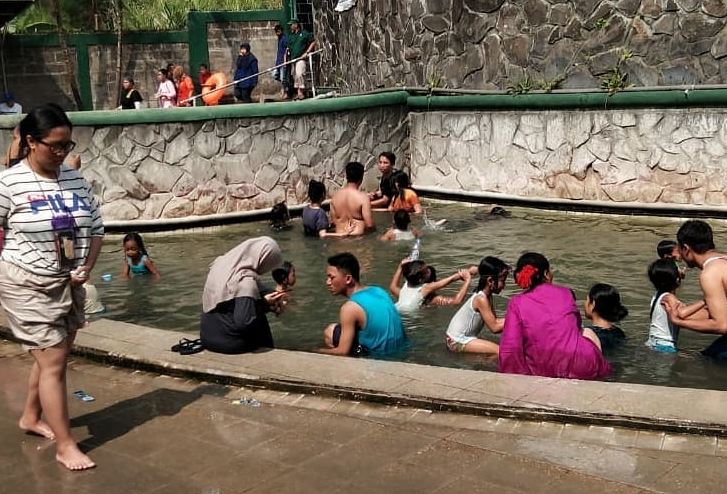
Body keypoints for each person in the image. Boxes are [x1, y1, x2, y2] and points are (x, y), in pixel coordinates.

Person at [0, 103, 104, 471]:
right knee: (54, 359)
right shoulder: (8, 183)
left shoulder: (73, 179)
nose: (62, 153)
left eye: (67, 146)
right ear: (31, 142)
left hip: (68, 282)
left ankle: (30, 416)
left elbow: (96, 228)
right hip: (25, 283)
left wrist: (87, 267)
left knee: (51, 360)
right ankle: (66, 444)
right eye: (55, 146)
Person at [498, 252, 611, 379]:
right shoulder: (566, 292)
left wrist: (515, 378)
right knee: (587, 332)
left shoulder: (516, 302)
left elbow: (511, 346)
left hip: (545, 368)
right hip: (584, 363)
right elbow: (576, 326)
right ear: (546, 274)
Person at [200, 236, 286, 354]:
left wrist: (273, 295)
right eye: (269, 264)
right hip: (228, 342)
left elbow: (246, 293)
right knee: (259, 321)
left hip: (207, 336)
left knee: (252, 303)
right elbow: (244, 322)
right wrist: (266, 304)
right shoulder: (245, 281)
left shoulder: (223, 264)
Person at [662, 220, 727, 358]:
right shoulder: (723, 260)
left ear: (686, 248)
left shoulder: (710, 273)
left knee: (703, 361)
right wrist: (682, 312)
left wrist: (679, 321)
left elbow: (722, 325)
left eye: (679, 248)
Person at [320, 252, 406, 356]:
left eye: (331, 277)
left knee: (330, 331)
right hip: (402, 350)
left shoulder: (349, 308)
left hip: (378, 358)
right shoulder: (378, 290)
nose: (328, 282)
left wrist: (313, 351)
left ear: (348, 279)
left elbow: (342, 352)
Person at [445, 257, 509, 354]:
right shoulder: (481, 299)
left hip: (454, 338)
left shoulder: (486, 295)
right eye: (502, 281)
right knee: (500, 351)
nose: (504, 285)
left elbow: (495, 321)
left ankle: (484, 361)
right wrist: (519, 318)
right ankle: (485, 366)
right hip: (456, 341)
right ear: (490, 281)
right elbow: (494, 327)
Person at [389, 258, 472, 312]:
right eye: (427, 271)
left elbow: (393, 287)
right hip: (409, 319)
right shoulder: (429, 292)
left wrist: (400, 267)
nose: (428, 270)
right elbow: (456, 301)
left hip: (395, 310)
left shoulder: (406, 287)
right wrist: (467, 280)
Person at [646, 259, 683, 353]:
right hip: (664, 345)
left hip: (653, 342)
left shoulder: (658, 295)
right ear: (676, 279)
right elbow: (682, 314)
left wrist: (677, 278)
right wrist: (704, 301)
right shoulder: (670, 298)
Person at [329, 161, 374, 236]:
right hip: (358, 240)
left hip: (339, 240)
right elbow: (369, 225)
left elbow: (334, 222)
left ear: (346, 176)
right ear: (361, 177)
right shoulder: (363, 198)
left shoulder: (334, 198)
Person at [582, 283, 628, 351]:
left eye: (587, 300)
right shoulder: (619, 333)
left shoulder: (587, 334)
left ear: (593, 304)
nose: (585, 303)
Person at [285, 18, 315, 100]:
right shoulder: (291, 37)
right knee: (295, 76)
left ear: (296, 25)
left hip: (301, 58)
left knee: (300, 74)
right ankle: (298, 92)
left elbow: (313, 42)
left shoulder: (304, 34)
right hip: (293, 59)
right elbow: (288, 48)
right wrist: (286, 59)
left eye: (292, 25)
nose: (290, 26)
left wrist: (307, 52)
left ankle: (301, 92)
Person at [273, 24, 290, 100]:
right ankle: (287, 86)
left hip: (283, 61)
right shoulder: (279, 39)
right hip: (279, 62)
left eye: (278, 31)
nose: (277, 33)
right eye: (276, 32)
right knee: (275, 75)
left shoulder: (284, 39)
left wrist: (285, 60)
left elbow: (287, 49)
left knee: (283, 78)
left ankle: (285, 92)